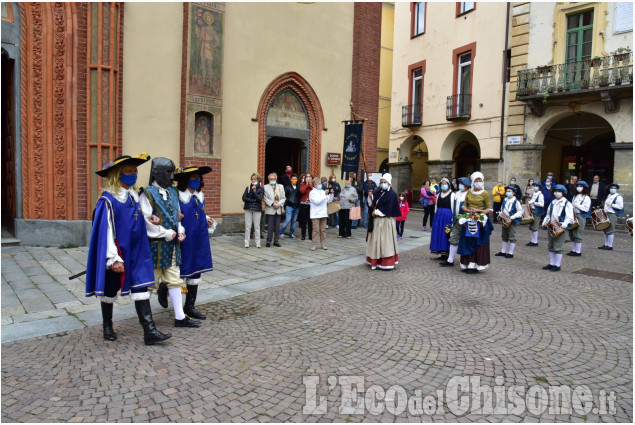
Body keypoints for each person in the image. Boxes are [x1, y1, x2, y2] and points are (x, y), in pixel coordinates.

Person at [85, 153, 172, 345]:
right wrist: (113, 258)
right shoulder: (108, 200)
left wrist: (150, 219)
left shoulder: (134, 196)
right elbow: (106, 231)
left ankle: (149, 331)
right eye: (128, 171)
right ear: (118, 174)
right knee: (110, 291)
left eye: (134, 171)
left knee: (141, 287)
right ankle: (107, 325)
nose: (133, 174)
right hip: (119, 254)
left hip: (138, 253)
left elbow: (136, 221)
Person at [140, 157, 200, 328]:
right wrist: (165, 233)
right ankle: (147, 320)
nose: (171, 175)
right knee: (150, 283)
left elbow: (177, 216)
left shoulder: (173, 192)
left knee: (174, 280)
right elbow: (146, 222)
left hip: (173, 245)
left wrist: (180, 231)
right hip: (155, 245)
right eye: (168, 172)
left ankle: (180, 317)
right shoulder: (148, 193)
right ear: (157, 173)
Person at [175, 166, 215, 321]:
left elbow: (200, 213)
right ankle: (167, 293)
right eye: (193, 178)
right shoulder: (178, 196)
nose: (196, 180)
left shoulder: (200, 195)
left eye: (198, 177)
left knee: (196, 270)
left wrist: (207, 220)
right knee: (181, 270)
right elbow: (176, 216)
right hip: (185, 238)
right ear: (185, 180)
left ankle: (190, 306)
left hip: (199, 237)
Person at [457, 172, 494, 274]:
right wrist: (469, 211)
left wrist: (478, 211)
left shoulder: (485, 193)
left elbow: (489, 209)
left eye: (479, 181)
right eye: (476, 181)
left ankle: (474, 263)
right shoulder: (469, 192)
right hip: (469, 217)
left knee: (477, 241)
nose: (478, 183)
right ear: (472, 182)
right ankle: (466, 262)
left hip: (480, 220)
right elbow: (464, 206)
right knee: (467, 240)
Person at [366, 173, 402, 270]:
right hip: (377, 222)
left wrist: (377, 212)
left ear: (389, 183)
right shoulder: (378, 191)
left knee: (385, 242)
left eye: (384, 182)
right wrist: (371, 197)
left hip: (386, 222)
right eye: (381, 182)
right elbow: (373, 203)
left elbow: (389, 208)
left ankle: (386, 262)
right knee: (376, 241)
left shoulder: (392, 194)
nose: (383, 184)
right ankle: (375, 261)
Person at [541, 184, 574, 272]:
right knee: (551, 244)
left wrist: (565, 224)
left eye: (559, 191)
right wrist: (545, 222)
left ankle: (557, 265)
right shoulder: (553, 202)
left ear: (563, 193)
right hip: (552, 225)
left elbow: (570, 217)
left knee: (558, 245)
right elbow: (548, 214)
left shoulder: (567, 203)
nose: (557, 193)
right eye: (555, 191)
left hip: (561, 226)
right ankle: (552, 263)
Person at [440, 177, 471, 267]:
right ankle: (450, 260)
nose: (460, 185)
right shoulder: (457, 193)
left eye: (462, 183)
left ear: (466, 185)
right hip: (456, 219)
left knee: (465, 240)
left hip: (465, 220)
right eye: (460, 183)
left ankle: (466, 261)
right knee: (453, 239)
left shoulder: (469, 194)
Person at [494, 186, 523, 259]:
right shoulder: (505, 200)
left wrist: (512, 217)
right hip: (505, 220)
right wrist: (500, 215)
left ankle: (511, 252)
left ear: (513, 193)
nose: (508, 192)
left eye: (510, 191)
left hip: (512, 221)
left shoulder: (516, 201)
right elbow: (502, 209)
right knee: (504, 236)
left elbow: (520, 211)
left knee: (512, 236)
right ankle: (503, 251)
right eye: (507, 191)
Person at [430, 178, 455, 258]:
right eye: (442, 184)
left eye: (445, 184)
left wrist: (453, 218)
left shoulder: (452, 195)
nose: (444, 185)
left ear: (448, 184)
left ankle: (447, 253)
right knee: (438, 233)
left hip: (447, 216)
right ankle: (441, 252)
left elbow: (453, 207)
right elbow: (436, 207)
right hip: (439, 216)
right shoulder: (439, 195)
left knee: (446, 234)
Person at [567, 180, 591, 256]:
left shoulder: (586, 197)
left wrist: (576, 205)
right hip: (573, 215)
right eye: (578, 186)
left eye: (581, 186)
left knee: (578, 233)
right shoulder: (575, 196)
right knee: (572, 233)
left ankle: (578, 251)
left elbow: (586, 209)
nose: (579, 188)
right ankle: (574, 250)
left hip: (581, 215)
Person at [309, 178, 333, 250]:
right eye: (319, 183)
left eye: (320, 183)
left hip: (323, 213)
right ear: (315, 185)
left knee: (323, 230)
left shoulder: (323, 192)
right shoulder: (312, 192)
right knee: (316, 230)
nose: (320, 185)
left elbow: (329, 201)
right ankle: (314, 244)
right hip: (315, 214)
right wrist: (325, 195)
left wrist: (331, 194)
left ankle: (323, 244)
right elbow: (317, 201)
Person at [598, 183, 624, 250]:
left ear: (616, 189)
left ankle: (610, 245)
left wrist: (612, 204)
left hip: (612, 214)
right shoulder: (609, 195)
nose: (613, 189)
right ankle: (606, 244)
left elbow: (620, 207)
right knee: (605, 229)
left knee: (610, 229)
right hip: (606, 213)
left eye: (614, 188)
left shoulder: (618, 197)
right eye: (612, 188)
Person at [263, 172, 286, 247]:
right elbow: (265, 198)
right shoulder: (265, 187)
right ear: (269, 180)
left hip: (278, 208)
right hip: (270, 208)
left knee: (277, 226)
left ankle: (276, 241)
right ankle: (268, 241)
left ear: (276, 179)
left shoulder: (281, 186)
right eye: (271, 179)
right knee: (270, 226)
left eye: (273, 179)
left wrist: (279, 204)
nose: (272, 180)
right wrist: (272, 204)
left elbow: (283, 197)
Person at [242, 173, 264, 248]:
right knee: (248, 226)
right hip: (248, 208)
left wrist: (254, 191)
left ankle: (257, 242)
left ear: (258, 180)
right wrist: (252, 200)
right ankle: (246, 242)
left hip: (257, 209)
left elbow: (259, 199)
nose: (253, 180)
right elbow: (244, 197)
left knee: (257, 226)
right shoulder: (248, 188)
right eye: (252, 179)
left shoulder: (261, 189)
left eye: (254, 179)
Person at [280, 173, 301, 239]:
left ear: (297, 180)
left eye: (295, 179)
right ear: (290, 179)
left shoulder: (299, 187)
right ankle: (281, 233)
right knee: (287, 220)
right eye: (293, 179)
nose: (294, 180)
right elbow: (284, 196)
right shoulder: (287, 187)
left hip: (297, 206)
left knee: (293, 221)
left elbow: (300, 195)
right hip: (289, 206)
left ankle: (292, 234)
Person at [526, 181, 545, 247]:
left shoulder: (540, 195)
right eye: (534, 186)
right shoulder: (534, 194)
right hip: (532, 210)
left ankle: (535, 241)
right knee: (531, 227)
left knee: (535, 226)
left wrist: (534, 203)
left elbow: (542, 204)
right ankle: (532, 240)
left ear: (539, 187)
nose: (535, 187)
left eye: (536, 186)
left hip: (536, 211)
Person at [298, 173, 314, 241]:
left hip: (311, 204)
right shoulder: (303, 184)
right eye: (307, 177)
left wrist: (310, 184)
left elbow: (313, 190)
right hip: (303, 203)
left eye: (309, 176)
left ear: (311, 177)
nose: (308, 178)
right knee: (303, 221)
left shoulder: (313, 184)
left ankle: (310, 235)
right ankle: (303, 235)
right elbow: (302, 191)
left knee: (310, 221)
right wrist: (306, 185)